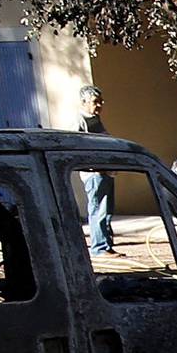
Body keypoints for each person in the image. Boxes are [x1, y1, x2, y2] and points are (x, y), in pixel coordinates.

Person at [77, 85, 114, 257]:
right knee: (98, 210)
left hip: (106, 172)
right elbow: (77, 149)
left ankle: (107, 244)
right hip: (94, 174)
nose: (99, 105)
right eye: (95, 102)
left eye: (100, 102)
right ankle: (99, 247)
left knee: (106, 210)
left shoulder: (96, 120)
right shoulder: (80, 121)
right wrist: (94, 167)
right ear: (84, 103)